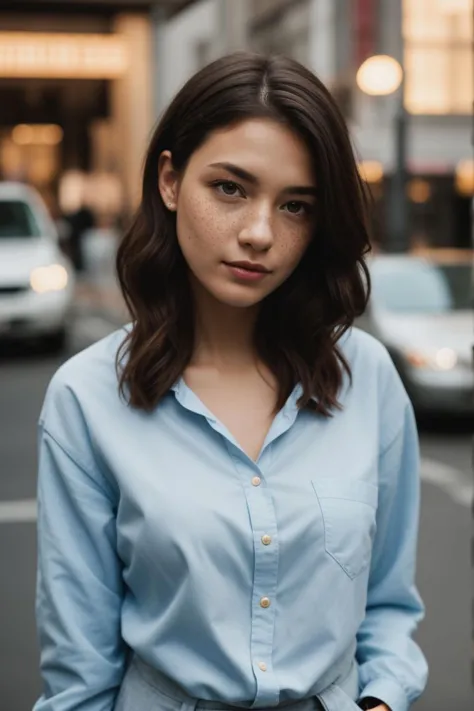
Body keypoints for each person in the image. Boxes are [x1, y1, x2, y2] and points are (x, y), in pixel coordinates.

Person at [33, 52, 428, 711]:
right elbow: (79, 672)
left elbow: (388, 602)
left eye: (296, 205)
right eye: (230, 188)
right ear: (169, 179)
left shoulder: (369, 378)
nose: (259, 233)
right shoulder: (87, 396)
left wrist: (381, 700)